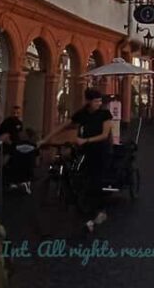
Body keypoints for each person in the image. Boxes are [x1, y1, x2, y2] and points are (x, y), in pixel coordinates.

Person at [39, 89, 113, 232]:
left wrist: (86, 140)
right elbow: (62, 126)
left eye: (100, 101)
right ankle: (77, 199)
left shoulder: (105, 114)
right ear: (89, 102)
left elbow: (105, 135)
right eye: (96, 101)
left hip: (101, 150)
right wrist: (45, 139)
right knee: (77, 170)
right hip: (85, 149)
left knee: (96, 178)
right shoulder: (82, 114)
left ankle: (100, 211)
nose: (99, 103)